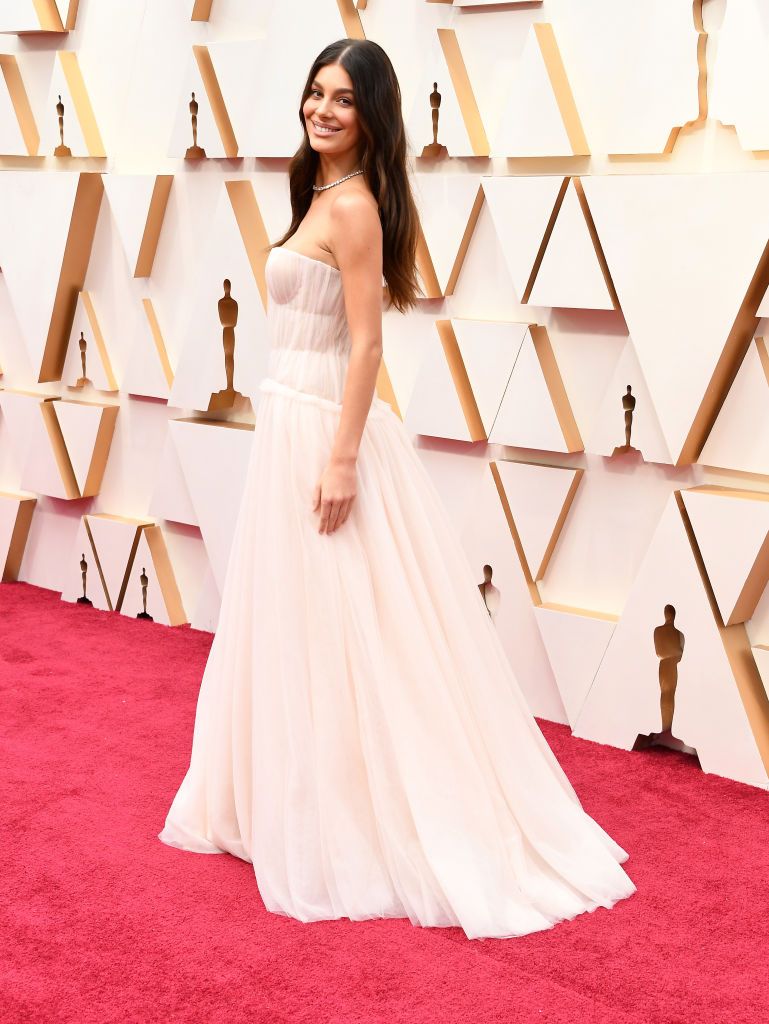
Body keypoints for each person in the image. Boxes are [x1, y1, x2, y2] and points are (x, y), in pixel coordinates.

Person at [158, 37, 637, 941]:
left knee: (356, 627)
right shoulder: (318, 195)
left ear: (371, 114)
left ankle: (364, 814)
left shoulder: (356, 208)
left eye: (343, 99)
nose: (322, 110)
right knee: (298, 622)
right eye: (314, 93)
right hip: (286, 420)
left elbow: (368, 344)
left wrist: (340, 458)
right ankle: (296, 802)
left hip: (325, 432)